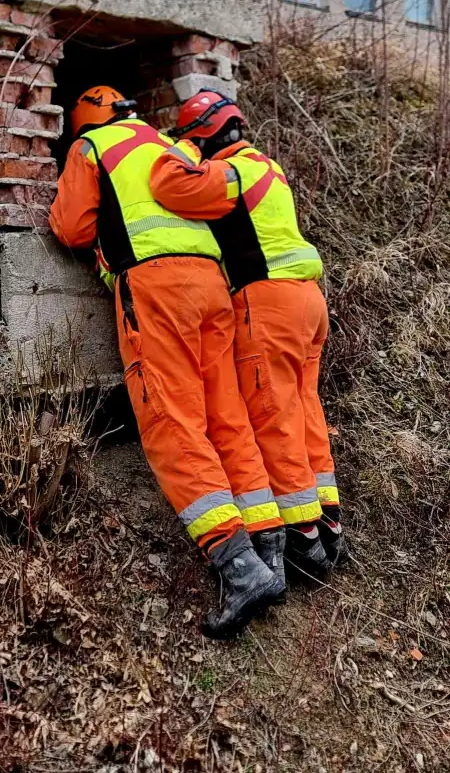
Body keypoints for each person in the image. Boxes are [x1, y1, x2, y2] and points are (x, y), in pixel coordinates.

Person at [49, 85, 287, 639]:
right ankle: (270, 553)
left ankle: (237, 564)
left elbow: (72, 228)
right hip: (213, 287)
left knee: (170, 422)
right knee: (227, 418)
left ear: (84, 121)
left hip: (158, 290)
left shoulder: (91, 148)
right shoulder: (166, 142)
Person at [150, 89, 348, 580]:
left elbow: (173, 187)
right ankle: (328, 522)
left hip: (269, 305)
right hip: (306, 302)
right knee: (304, 410)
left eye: (198, 140)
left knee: (272, 414)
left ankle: (304, 539)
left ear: (209, 137)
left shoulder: (237, 171)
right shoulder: (269, 168)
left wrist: (182, 152)